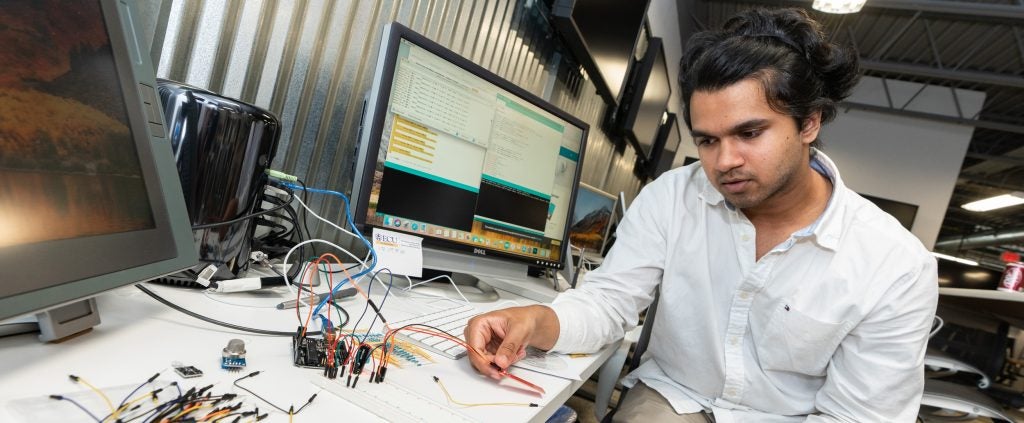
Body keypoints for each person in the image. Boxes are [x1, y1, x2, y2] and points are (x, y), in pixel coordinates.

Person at [464, 7, 938, 422]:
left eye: (749, 133)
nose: (724, 160)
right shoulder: (671, 197)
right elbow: (608, 305)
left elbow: (857, 417)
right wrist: (535, 319)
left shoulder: (894, 265)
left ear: (809, 122)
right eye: (707, 140)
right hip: (672, 401)